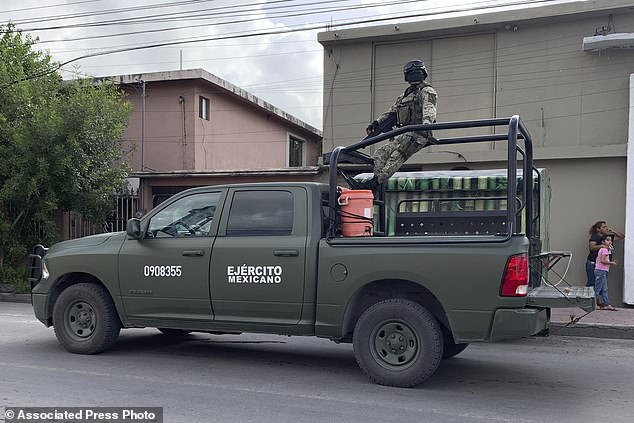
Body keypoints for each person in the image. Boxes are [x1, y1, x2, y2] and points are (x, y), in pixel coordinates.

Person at [363, 59, 438, 189]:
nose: (414, 75)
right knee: (381, 153)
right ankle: (375, 180)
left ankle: (376, 183)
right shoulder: (405, 95)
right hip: (404, 133)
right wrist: (377, 123)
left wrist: (426, 125)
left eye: (417, 72)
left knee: (396, 156)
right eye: (411, 73)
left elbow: (429, 109)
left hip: (418, 134)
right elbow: (392, 111)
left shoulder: (427, 91)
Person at [585, 221, 624, 289]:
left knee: (601, 284)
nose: (606, 228)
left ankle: (599, 299)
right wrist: (602, 246)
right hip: (593, 263)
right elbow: (592, 247)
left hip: (603, 265)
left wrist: (613, 231)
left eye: (606, 226)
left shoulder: (607, 238)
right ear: (598, 229)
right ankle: (591, 299)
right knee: (592, 283)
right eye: (604, 227)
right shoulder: (595, 237)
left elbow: (621, 236)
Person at [594, 234, 618, 310]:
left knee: (604, 289)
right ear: (603, 241)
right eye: (607, 240)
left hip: (602, 271)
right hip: (601, 270)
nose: (610, 242)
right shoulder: (604, 250)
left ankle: (607, 303)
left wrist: (610, 261)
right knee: (598, 288)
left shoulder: (604, 250)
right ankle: (593, 304)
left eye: (611, 240)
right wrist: (611, 263)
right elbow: (603, 260)